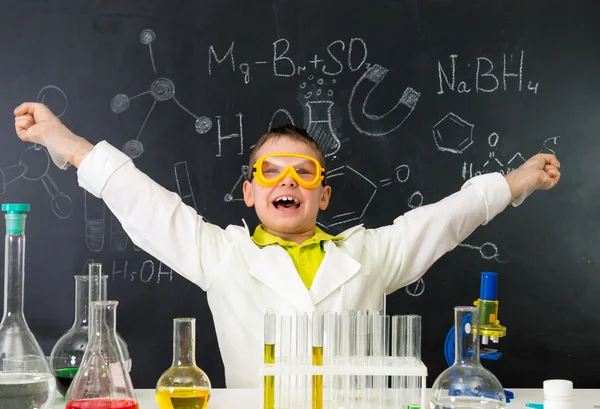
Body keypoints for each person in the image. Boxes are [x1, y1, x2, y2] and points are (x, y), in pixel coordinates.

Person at [13, 102, 560, 387]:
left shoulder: (369, 253)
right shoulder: (222, 254)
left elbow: (444, 219)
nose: (288, 182)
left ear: (323, 195)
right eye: (270, 172)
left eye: (304, 172)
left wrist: (514, 185)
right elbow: (146, 204)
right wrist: (69, 144)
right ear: (249, 192)